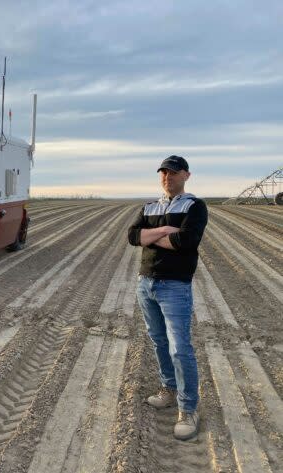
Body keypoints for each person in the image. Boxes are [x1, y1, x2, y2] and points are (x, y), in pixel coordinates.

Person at [127, 155, 208, 440]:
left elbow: (185, 241)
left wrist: (152, 237)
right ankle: (169, 389)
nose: (167, 177)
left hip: (175, 286)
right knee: (159, 341)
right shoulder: (149, 206)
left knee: (179, 347)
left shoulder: (195, 206)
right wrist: (162, 230)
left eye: (173, 173)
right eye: (163, 173)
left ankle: (188, 408)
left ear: (186, 175)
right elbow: (133, 236)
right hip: (146, 283)